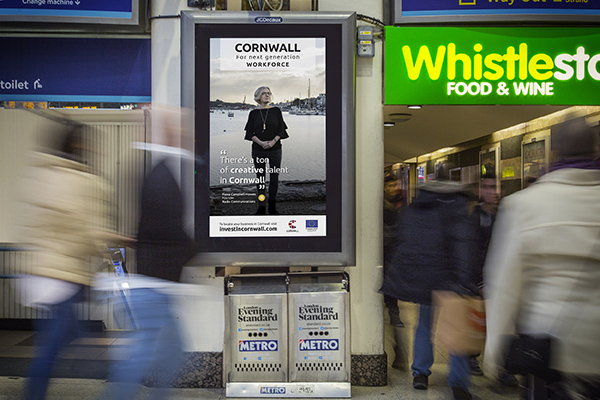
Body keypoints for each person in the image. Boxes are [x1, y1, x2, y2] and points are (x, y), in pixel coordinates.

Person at [483, 116, 600, 399]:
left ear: (554, 151)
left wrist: (494, 350)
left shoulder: (524, 205)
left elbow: (505, 285)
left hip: (547, 349)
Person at [19, 125, 133, 400]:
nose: (97, 152)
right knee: (52, 345)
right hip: (62, 274)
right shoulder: (82, 181)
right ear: (80, 148)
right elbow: (84, 230)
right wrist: (113, 242)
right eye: (93, 147)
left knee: (63, 333)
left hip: (40, 271)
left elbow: (38, 222)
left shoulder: (44, 173)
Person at [101, 105, 200, 400]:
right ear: (168, 135)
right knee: (146, 356)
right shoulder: (161, 178)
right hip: (153, 287)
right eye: (179, 130)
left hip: (156, 286)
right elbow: (167, 234)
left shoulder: (161, 173)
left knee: (170, 354)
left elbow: (156, 232)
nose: (186, 135)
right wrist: (206, 246)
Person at [380, 164, 480, 400]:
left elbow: (405, 239)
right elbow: (463, 245)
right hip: (450, 278)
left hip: (425, 277)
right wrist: (467, 279)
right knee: (456, 327)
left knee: (424, 324)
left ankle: (420, 374)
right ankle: (458, 383)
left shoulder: (416, 206)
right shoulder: (457, 206)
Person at [468, 171, 499, 377]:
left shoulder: (501, 215)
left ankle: (500, 364)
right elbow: (472, 252)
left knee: (496, 321)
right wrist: (479, 282)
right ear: (480, 190)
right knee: (476, 321)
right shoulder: (474, 217)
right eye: (488, 188)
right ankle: (472, 357)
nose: (493, 192)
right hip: (478, 278)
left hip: (497, 278)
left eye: (495, 188)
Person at [244, 86, 289, 215]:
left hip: (275, 149)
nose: (267, 95)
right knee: (260, 178)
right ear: (258, 96)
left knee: (274, 178)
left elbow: (281, 130)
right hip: (258, 149)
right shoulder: (253, 113)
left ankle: (272, 207)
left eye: (269, 93)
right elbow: (249, 132)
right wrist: (261, 143)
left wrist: (273, 141)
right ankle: (261, 207)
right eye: (264, 93)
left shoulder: (276, 111)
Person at [382, 172, 404, 328]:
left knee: (391, 281)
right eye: (390, 185)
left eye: (396, 185)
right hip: (382, 248)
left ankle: (394, 312)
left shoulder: (400, 204)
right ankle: (393, 312)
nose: (395, 188)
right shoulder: (380, 205)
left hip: (394, 249)